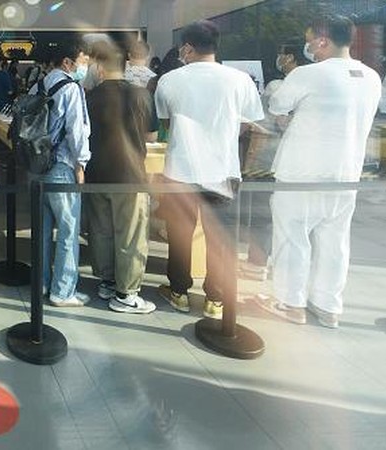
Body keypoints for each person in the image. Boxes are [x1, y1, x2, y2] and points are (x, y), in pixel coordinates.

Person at [257, 15, 382, 328]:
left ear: (323, 41)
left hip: (302, 172)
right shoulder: (371, 76)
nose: (307, 46)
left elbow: (277, 106)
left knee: (292, 237)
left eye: (310, 39)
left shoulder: (308, 74)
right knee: (335, 241)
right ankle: (327, 306)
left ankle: (290, 302)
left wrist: (289, 116)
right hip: (346, 174)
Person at [154, 20, 263, 319]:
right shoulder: (239, 80)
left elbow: (166, 125)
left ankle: (178, 292)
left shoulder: (170, 80)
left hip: (181, 170)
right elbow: (246, 125)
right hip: (223, 170)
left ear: (187, 47)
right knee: (220, 238)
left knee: (179, 235)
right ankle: (216, 298)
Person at [85, 41, 158, 314]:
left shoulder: (88, 97)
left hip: (96, 174)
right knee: (130, 235)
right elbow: (151, 136)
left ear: (100, 68)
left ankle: (106, 281)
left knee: (101, 231)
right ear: (124, 66)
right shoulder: (140, 95)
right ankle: (126, 294)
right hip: (130, 175)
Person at [28, 42, 92, 307]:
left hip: (36, 166)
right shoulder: (71, 88)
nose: (84, 66)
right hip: (61, 166)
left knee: (41, 229)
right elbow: (76, 131)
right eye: (82, 60)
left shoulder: (38, 86)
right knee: (67, 229)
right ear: (68, 62)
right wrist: (81, 164)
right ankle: (62, 291)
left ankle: (42, 283)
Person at [239, 42, 309, 281]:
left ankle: (257, 264)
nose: (278, 57)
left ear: (289, 57)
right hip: (300, 161)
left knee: (262, 212)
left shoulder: (278, 86)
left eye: (281, 53)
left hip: (269, 156)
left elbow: (266, 119)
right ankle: (281, 266)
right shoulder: (314, 85)